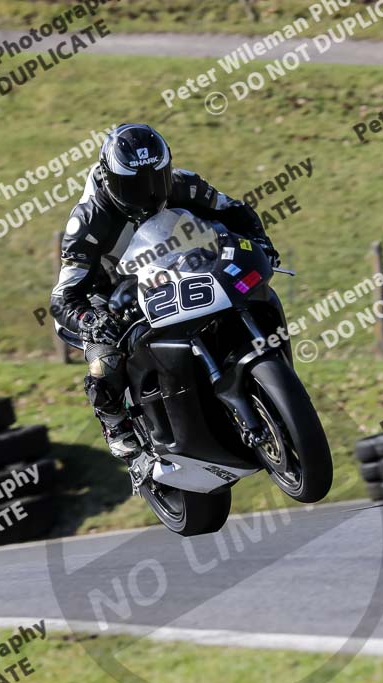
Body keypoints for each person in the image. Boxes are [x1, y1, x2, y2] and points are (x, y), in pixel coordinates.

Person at [50, 123, 278, 458]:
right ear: (111, 180)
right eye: (134, 186)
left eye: (157, 180)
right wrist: (90, 320)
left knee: (237, 290)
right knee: (106, 362)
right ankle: (116, 423)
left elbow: (233, 210)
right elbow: (62, 298)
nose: (150, 194)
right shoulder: (88, 221)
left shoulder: (183, 184)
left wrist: (260, 242)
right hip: (107, 296)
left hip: (170, 270)